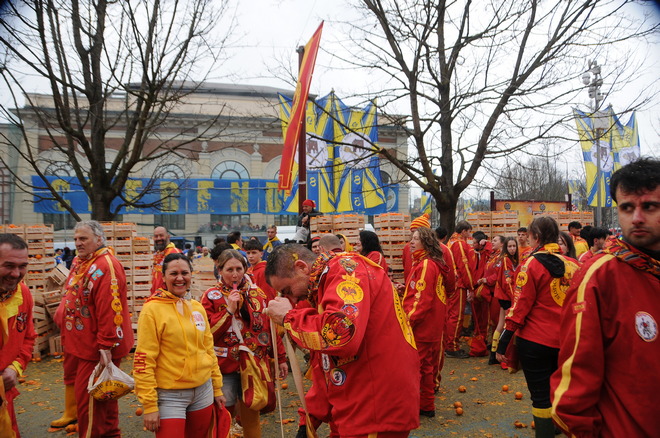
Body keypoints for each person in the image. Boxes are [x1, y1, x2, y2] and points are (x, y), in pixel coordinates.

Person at [551, 158, 660, 437]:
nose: (636, 218)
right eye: (627, 207)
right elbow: (575, 379)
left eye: (649, 206)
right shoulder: (598, 276)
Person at [265, 244, 420, 437]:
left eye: (288, 290)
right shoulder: (323, 283)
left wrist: (289, 317)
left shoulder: (346, 270)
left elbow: (342, 336)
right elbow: (326, 363)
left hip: (374, 407)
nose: (292, 300)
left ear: (302, 267)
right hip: (356, 402)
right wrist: (309, 419)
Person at [495, 216, 579, 438]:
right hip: (567, 342)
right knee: (561, 391)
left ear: (536, 236)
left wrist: (503, 342)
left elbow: (519, 307)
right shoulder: (574, 265)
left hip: (535, 341)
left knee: (540, 398)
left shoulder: (530, 264)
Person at [134, 253, 226, 436]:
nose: (179, 278)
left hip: (203, 391)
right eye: (173, 273)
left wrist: (217, 388)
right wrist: (150, 405)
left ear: (191, 274)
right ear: (163, 277)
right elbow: (144, 358)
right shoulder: (151, 310)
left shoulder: (197, 307)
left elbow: (208, 350)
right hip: (170, 396)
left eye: (184, 273)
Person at [58, 220, 134, 438]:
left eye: (83, 238)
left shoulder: (105, 265)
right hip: (83, 344)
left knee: (89, 405)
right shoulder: (82, 261)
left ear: (99, 239)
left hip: (96, 349)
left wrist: (105, 346)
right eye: (76, 239)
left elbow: (109, 308)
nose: (78, 243)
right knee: (105, 401)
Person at [202, 249, 288, 438]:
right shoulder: (211, 296)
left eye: (239, 269)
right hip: (224, 366)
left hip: (254, 364)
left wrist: (280, 358)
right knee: (224, 414)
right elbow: (206, 334)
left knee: (252, 414)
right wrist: (229, 310)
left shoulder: (257, 294)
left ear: (245, 269)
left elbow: (269, 328)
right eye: (229, 270)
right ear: (220, 270)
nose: (235, 274)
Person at [402, 227, 454, 417]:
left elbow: (422, 301)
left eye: (416, 239)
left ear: (425, 242)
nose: (412, 242)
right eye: (412, 238)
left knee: (416, 367)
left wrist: (407, 322)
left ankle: (413, 406)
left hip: (423, 326)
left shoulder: (425, 265)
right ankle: (426, 405)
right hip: (431, 325)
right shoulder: (429, 263)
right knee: (426, 367)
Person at [0, 234, 35, 437]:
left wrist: (15, 367)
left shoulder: (23, 294)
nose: (16, 274)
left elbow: (28, 337)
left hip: (4, 397)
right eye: (9, 266)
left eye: (22, 266)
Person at [445, 220, 477, 359]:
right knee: (456, 316)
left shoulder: (451, 241)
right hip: (459, 284)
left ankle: (448, 344)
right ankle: (452, 347)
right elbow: (464, 267)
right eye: (469, 232)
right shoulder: (459, 244)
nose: (469, 235)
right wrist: (471, 286)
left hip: (452, 283)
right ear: (463, 231)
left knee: (451, 314)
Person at [490, 237, 518, 366]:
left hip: (502, 295)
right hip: (506, 297)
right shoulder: (506, 260)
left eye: (514, 246)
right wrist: (514, 299)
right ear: (505, 247)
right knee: (506, 326)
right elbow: (508, 282)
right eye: (510, 246)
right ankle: (502, 353)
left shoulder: (504, 259)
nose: (512, 249)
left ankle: (493, 354)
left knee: (500, 325)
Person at [469, 231, 493, 357]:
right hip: (475, 289)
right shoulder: (473, 254)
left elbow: (492, 251)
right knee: (477, 317)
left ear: (480, 243)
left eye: (474, 243)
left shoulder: (487, 254)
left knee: (484, 317)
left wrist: (487, 243)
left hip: (484, 290)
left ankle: (483, 340)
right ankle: (478, 338)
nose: (472, 245)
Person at [151, 226, 182, 295]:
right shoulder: (156, 254)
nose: (158, 238)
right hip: (156, 296)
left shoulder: (175, 253)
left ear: (168, 236)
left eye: (161, 235)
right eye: (156, 236)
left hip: (169, 296)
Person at [403, 213, 431, 282]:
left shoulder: (442, 249)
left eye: (417, 232)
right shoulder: (407, 247)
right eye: (412, 231)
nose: (414, 234)